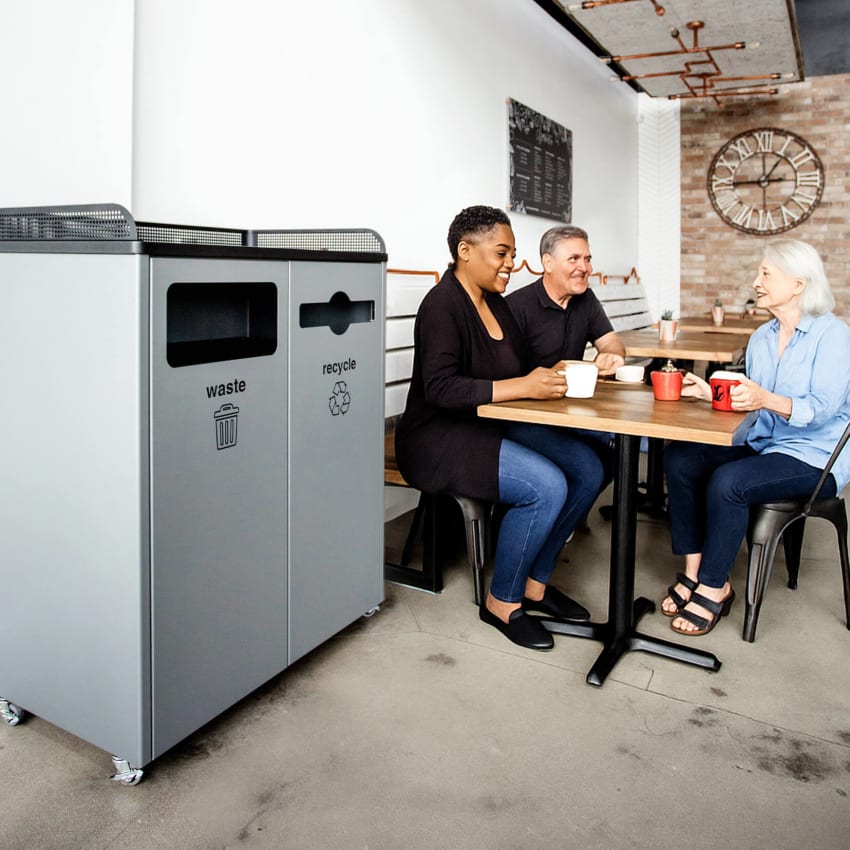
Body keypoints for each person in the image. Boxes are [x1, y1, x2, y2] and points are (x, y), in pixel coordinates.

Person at [395, 206, 604, 651]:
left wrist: (549, 373)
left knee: (587, 468)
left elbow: (517, 370)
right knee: (545, 486)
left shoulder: (498, 305)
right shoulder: (441, 305)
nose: (511, 262)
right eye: (502, 252)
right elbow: (440, 388)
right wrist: (523, 384)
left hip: (488, 423)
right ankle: (502, 601)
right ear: (464, 251)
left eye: (513, 253)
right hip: (437, 437)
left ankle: (535, 584)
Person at [662, 238, 850, 636]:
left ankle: (715, 587)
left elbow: (823, 408)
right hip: (766, 442)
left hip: (816, 457)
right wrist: (709, 392)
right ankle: (694, 572)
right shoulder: (762, 337)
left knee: (729, 482)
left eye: (766, 273)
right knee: (679, 457)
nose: (756, 281)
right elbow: (754, 401)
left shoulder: (833, 335)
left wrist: (765, 397)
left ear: (798, 284)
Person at [506, 224, 625, 497]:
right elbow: (505, 378)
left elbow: (610, 341)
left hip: (567, 410)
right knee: (589, 469)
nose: (584, 267)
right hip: (523, 417)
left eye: (587, 259)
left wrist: (612, 355)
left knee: (617, 454)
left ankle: (570, 512)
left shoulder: (585, 299)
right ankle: (560, 522)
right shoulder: (516, 307)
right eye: (574, 259)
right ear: (547, 263)